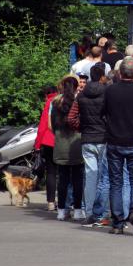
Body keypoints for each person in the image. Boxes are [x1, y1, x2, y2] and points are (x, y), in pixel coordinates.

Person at [102, 56, 133, 235]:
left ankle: (117, 222)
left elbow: (102, 113)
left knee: (116, 182)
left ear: (120, 73)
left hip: (114, 141)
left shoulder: (110, 91)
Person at [67, 64, 108, 227]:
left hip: (87, 138)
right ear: (103, 76)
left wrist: (81, 127)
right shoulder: (107, 94)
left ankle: (90, 212)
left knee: (90, 177)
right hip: (104, 138)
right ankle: (102, 213)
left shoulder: (81, 96)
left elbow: (71, 118)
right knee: (104, 178)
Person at [50, 75, 84, 221]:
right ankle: (77, 210)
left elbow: (52, 125)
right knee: (77, 179)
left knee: (62, 180)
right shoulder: (79, 102)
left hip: (60, 143)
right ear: (77, 87)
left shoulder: (55, 103)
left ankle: (61, 211)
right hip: (76, 143)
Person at [34, 85, 58, 211]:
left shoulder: (49, 102)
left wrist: (37, 144)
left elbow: (43, 125)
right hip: (63, 141)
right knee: (66, 174)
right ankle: (67, 203)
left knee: (51, 172)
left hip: (49, 141)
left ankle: (51, 202)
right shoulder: (64, 99)